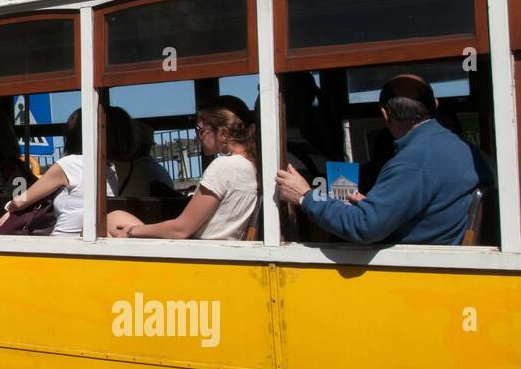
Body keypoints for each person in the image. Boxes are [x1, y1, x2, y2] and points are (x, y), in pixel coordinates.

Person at [276, 74, 490, 244]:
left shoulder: (412, 162)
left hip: (411, 270)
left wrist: (305, 197)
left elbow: (363, 228)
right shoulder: (463, 148)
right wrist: (373, 209)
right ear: (435, 104)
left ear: (385, 114)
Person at [107, 97, 260, 240]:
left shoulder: (224, 167)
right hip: (221, 249)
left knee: (114, 218)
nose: (198, 137)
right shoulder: (251, 166)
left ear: (223, 134)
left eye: (200, 130)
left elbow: (181, 229)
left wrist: (131, 231)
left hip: (200, 253)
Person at [0, 109, 84, 236]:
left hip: (61, 243)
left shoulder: (70, 164)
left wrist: (9, 209)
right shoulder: (112, 167)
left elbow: (21, 200)